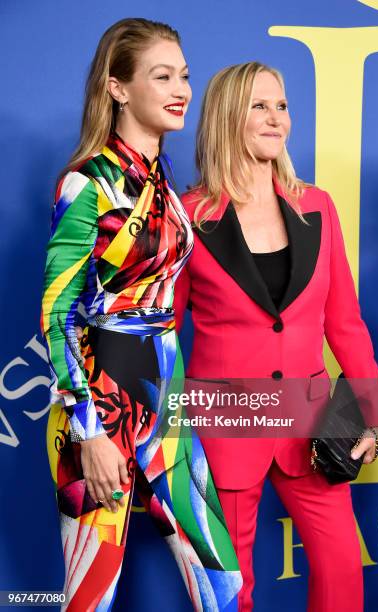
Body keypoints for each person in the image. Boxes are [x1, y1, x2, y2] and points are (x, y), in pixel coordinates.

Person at [173, 62, 378, 611]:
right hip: (225, 425)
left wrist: (374, 405)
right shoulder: (188, 216)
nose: (276, 118)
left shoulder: (317, 206)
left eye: (283, 106)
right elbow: (163, 334)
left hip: (313, 423)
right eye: (259, 106)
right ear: (228, 117)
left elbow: (344, 320)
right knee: (231, 590)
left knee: (343, 569)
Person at [41, 18, 241, 612]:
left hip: (168, 408)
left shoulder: (169, 191)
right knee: (91, 598)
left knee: (222, 585)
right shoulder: (86, 185)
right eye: (162, 75)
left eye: (183, 74)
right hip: (97, 411)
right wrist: (88, 432)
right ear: (118, 88)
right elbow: (58, 315)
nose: (181, 88)